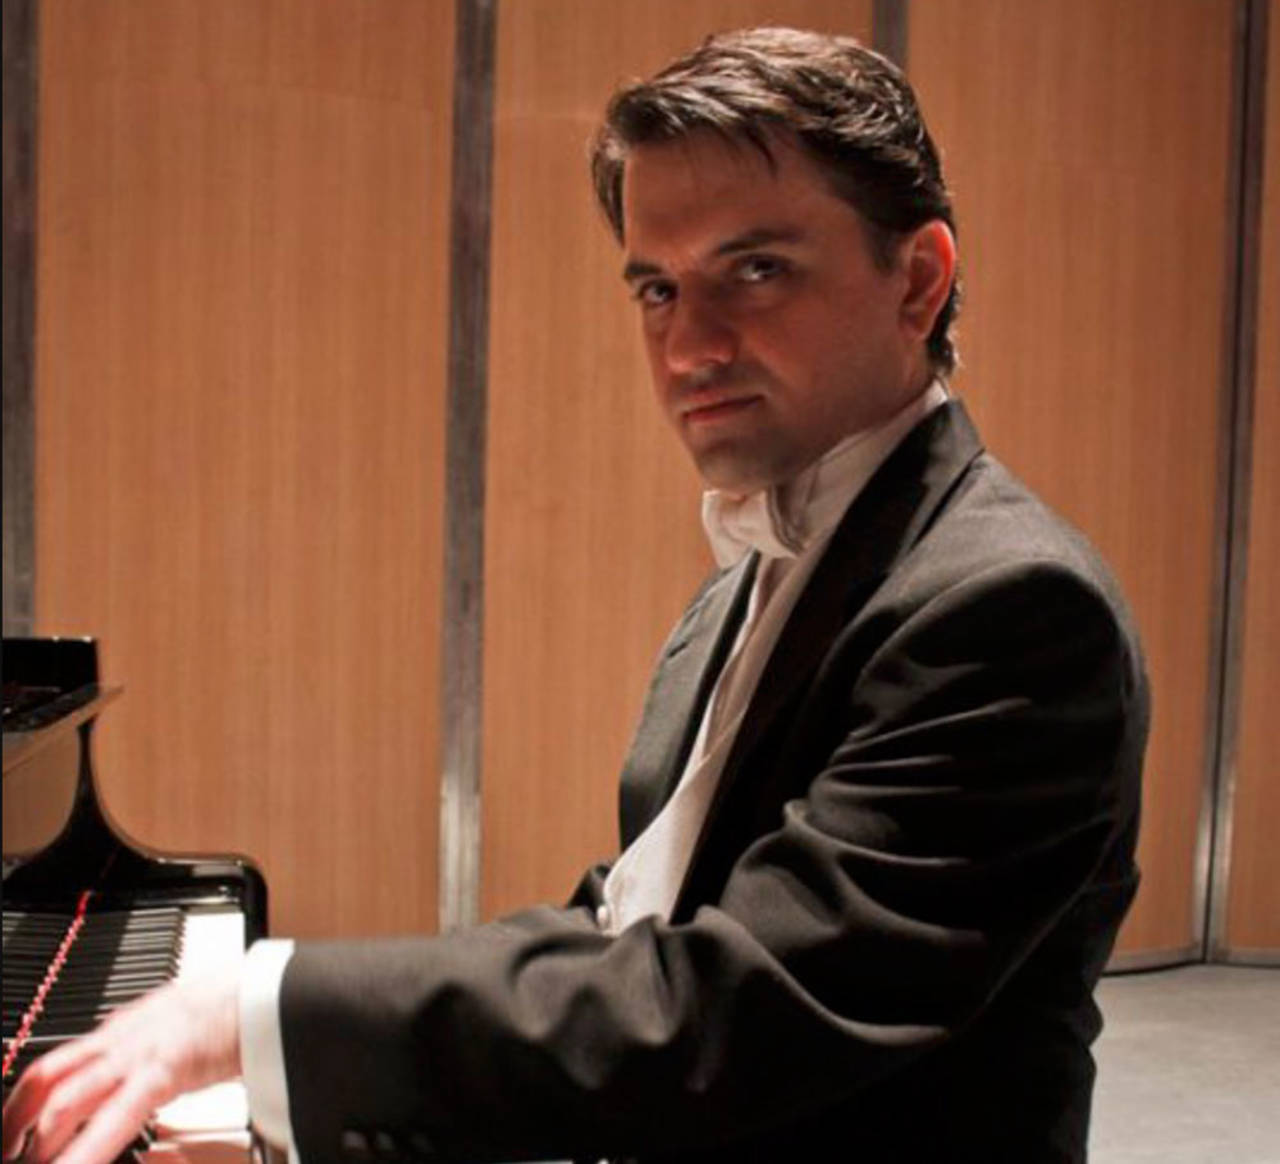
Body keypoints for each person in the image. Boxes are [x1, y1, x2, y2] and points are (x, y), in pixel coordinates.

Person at [2, 27, 1147, 1164]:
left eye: (755, 269)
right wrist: (289, 1046)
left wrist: (260, 1017)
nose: (688, 346)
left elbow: (726, 1012)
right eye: (656, 287)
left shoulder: (1008, 609)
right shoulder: (758, 578)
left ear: (917, 280)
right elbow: (627, 921)